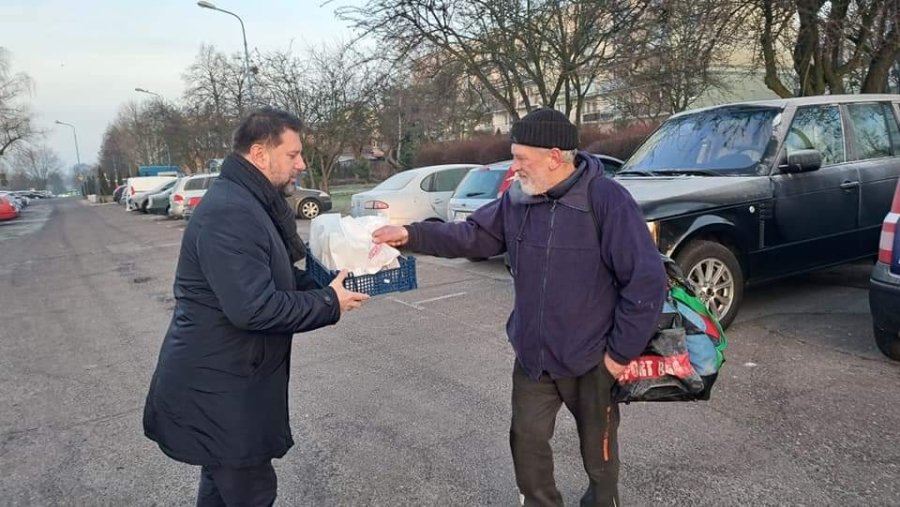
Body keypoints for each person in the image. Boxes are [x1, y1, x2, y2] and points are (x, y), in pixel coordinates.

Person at [373, 108, 667, 507]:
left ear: (554, 157)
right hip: (534, 358)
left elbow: (646, 282)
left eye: (520, 158)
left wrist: (617, 356)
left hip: (591, 360)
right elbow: (470, 236)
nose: (513, 168)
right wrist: (410, 234)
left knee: (598, 457)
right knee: (526, 446)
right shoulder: (516, 199)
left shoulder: (606, 200)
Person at [143, 106, 369, 507]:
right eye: (293, 154)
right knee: (251, 493)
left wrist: (328, 284)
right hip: (220, 393)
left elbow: (274, 277)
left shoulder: (247, 201)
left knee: (220, 489)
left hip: (227, 386)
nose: (301, 164)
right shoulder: (231, 212)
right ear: (260, 153)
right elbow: (254, 308)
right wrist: (328, 302)